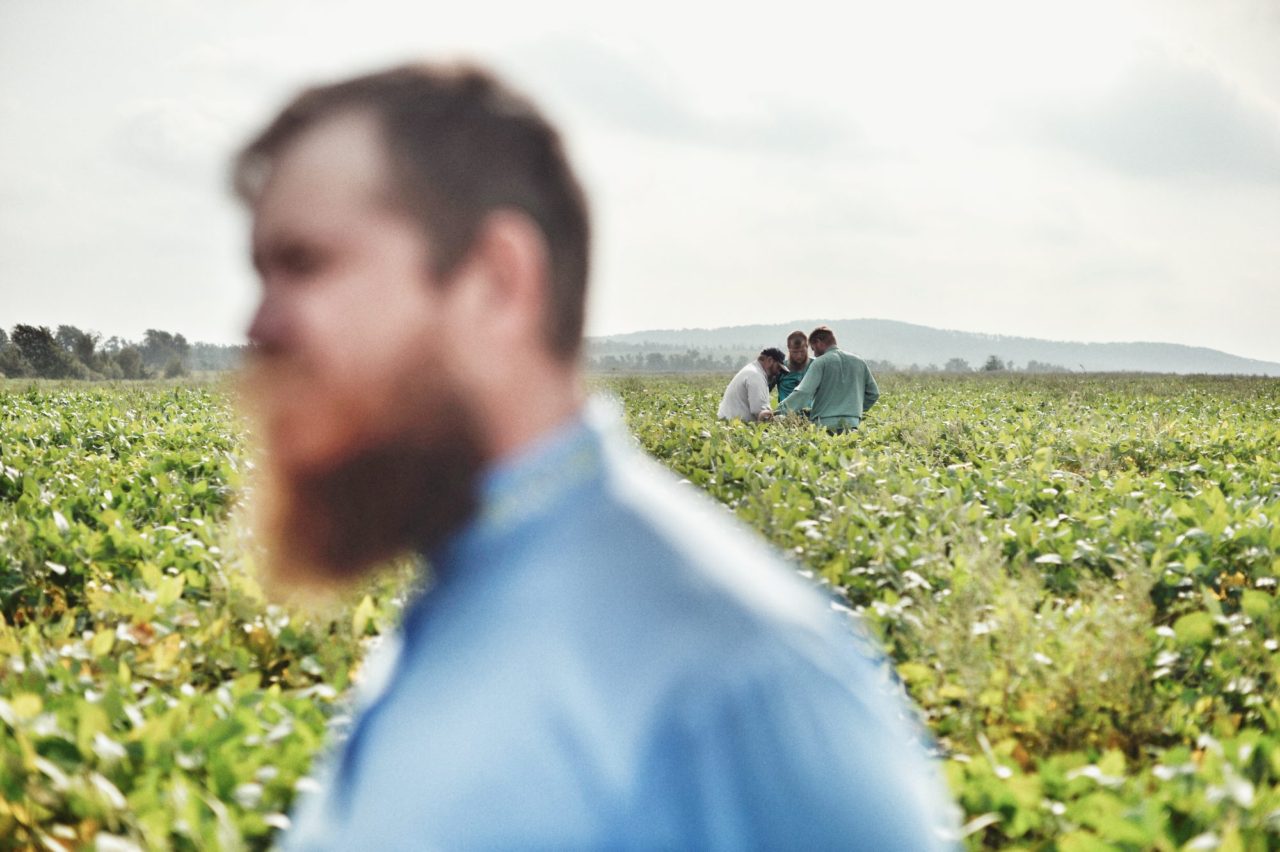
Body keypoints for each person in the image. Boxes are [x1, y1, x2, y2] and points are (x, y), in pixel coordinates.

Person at [234, 63, 954, 849]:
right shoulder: (461, 584)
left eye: (305, 264)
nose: (259, 326)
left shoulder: (731, 683)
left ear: (497, 281)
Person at [778, 325, 881, 432]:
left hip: (825, 426)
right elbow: (873, 394)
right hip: (852, 425)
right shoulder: (859, 362)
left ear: (819, 342)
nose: (815, 354)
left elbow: (804, 392)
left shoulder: (820, 362)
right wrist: (853, 411)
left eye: (813, 349)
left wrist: (779, 411)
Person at [717, 347, 787, 422]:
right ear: (769, 360)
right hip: (734, 425)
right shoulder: (756, 375)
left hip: (729, 422)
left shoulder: (753, 371)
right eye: (778, 367)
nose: (778, 372)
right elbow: (761, 412)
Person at [776, 329, 811, 404]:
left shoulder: (816, 366)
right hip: (786, 410)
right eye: (795, 352)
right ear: (789, 348)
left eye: (802, 351)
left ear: (807, 346)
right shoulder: (780, 368)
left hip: (812, 411)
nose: (799, 356)